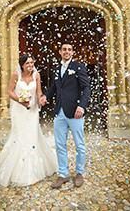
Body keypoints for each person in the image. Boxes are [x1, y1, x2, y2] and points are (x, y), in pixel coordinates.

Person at [0, 54, 58, 187]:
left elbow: (38, 92)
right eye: (27, 64)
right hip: (19, 111)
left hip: (32, 110)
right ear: (22, 65)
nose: (30, 66)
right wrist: (21, 101)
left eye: (31, 62)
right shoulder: (16, 75)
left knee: (32, 136)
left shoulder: (36, 75)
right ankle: (16, 172)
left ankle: (34, 171)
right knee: (19, 137)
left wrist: (41, 99)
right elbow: (9, 92)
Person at [39, 41, 91, 189]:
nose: (67, 51)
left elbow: (86, 87)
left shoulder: (78, 67)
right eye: (64, 49)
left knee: (79, 145)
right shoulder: (56, 69)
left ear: (72, 52)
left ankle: (79, 173)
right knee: (60, 145)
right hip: (59, 112)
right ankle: (63, 174)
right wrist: (45, 96)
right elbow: (54, 88)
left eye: (69, 49)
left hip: (75, 112)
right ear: (60, 52)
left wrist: (81, 106)